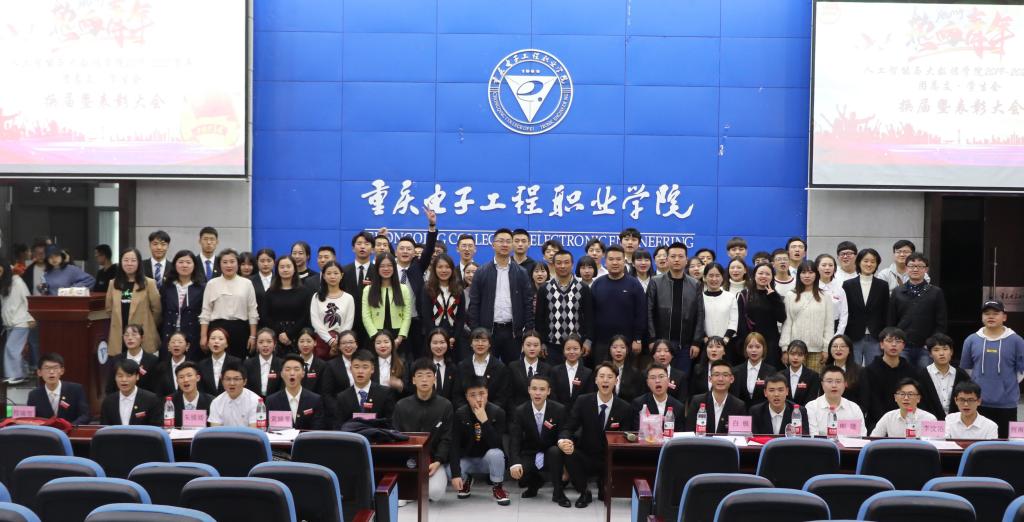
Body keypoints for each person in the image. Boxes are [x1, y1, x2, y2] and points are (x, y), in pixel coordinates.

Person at [558, 362, 634, 508]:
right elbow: (569, 427)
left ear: (616, 381)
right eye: (602, 376)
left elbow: (625, 436)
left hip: (609, 457)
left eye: (610, 377)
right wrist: (563, 440)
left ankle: (602, 484)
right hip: (586, 453)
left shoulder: (625, 407)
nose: (605, 380)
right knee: (568, 452)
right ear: (596, 380)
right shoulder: (583, 401)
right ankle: (584, 492)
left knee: (604, 496)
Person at [392, 358, 455, 502]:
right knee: (401, 494)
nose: (424, 379)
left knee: (435, 493)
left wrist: (438, 461)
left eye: (428, 375)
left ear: (434, 379)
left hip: (433, 462)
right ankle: (411, 489)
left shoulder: (445, 406)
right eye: (420, 375)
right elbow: (395, 435)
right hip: (406, 461)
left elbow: (447, 438)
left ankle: (416, 489)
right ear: (414, 380)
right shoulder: (401, 405)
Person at [468, 228, 535, 364]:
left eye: (508, 241)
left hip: (513, 333)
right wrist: (476, 331)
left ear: (512, 245)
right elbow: (474, 304)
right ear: (493, 245)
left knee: (513, 369)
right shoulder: (481, 272)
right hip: (487, 332)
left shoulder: (521, 272)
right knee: (487, 368)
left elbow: (528, 303)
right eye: (501, 241)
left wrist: (527, 331)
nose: (504, 244)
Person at [961, 299, 1024, 438]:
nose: (990, 316)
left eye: (995, 313)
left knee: (1005, 442)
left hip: (1007, 404)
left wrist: (1005, 384)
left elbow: (1021, 372)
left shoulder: (1017, 341)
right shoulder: (971, 340)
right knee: (978, 442)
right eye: (987, 313)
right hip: (977, 402)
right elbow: (967, 370)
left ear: (1004, 317)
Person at [508, 374, 569, 506]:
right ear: (529, 390)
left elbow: (564, 430)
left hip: (550, 453)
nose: (538, 393)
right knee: (521, 474)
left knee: (555, 452)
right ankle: (534, 484)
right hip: (530, 452)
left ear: (548, 391)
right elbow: (515, 439)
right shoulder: (520, 411)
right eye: (534, 388)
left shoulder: (559, 409)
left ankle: (558, 492)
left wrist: (562, 441)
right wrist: (515, 463)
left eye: (542, 389)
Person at [450, 377, 510, 505]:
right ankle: (466, 480)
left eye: (482, 393)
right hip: (467, 459)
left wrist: (484, 421)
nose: (478, 399)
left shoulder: (498, 412)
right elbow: (454, 445)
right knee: (448, 470)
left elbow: (496, 444)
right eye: (473, 395)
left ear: (487, 393)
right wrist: (456, 475)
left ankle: (498, 487)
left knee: (496, 454)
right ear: (466, 397)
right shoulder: (460, 414)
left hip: (487, 461)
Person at [393, 210, 439, 360]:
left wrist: (432, 225)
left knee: (418, 358)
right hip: (395, 322)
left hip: (416, 321)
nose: (405, 251)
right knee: (397, 359)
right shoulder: (388, 270)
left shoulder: (417, 268)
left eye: (409, 249)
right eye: (402, 248)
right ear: (396, 252)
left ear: (414, 253)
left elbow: (429, 249)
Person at [535, 250, 594, 365]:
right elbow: (539, 319)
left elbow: (589, 317)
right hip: (551, 347)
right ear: (553, 264)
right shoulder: (544, 288)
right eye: (559, 263)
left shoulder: (583, 288)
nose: (562, 266)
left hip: (576, 347)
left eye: (566, 262)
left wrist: (588, 341)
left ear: (572, 264)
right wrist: (541, 342)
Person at [888, 253, 947, 368]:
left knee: (925, 377)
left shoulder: (936, 292)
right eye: (911, 266)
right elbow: (891, 321)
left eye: (920, 266)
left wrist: (932, 343)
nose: (915, 269)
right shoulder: (897, 292)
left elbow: (941, 322)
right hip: (902, 346)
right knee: (902, 376)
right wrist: (894, 342)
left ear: (926, 269)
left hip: (926, 347)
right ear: (906, 268)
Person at [591, 245, 647, 365]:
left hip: (627, 343)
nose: (615, 263)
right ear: (605, 261)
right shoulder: (597, 284)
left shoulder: (634, 284)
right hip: (601, 343)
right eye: (611, 259)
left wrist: (637, 339)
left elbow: (641, 314)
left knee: (627, 375)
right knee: (602, 374)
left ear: (624, 261)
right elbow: (590, 314)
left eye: (618, 259)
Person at [199, 249, 259, 359]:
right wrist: (203, 336)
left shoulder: (247, 283)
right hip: (217, 329)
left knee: (238, 363)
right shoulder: (212, 284)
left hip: (240, 329)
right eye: (225, 262)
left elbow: (252, 311)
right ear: (219, 264)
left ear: (238, 264)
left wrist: (253, 336)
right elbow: (206, 312)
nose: (229, 265)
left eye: (232, 261)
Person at [106, 248, 162, 359]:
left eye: (133, 260)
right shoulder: (113, 283)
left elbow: (157, 310)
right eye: (126, 260)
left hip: (143, 334)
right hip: (120, 336)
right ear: (121, 262)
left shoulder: (149, 283)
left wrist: (148, 324)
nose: (129, 263)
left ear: (139, 263)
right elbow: (109, 309)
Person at [780, 261, 834, 372]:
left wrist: (826, 348)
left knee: (815, 380)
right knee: (795, 380)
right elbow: (787, 324)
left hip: (817, 350)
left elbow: (829, 325)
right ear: (799, 275)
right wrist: (785, 349)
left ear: (816, 274)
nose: (807, 276)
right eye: (803, 272)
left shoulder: (825, 296)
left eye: (810, 272)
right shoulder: (791, 295)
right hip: (795, 349)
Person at [861, 327, 919, 430]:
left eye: (898, 341)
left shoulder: (911, 371)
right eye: (889, 341)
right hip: (877, 423)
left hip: (906, 421)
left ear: (903, 346)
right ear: (881, 344)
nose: (894, 344)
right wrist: (887, 423)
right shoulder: (870, 371)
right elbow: (871, 401)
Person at [842, 248, 889, 366]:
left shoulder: (883, 285)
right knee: (854, 370)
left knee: (874, 370)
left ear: (877, 264)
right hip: (853, 335)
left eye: (873, 261)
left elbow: (886, 312)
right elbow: (844, 311)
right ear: (859, 262)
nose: (869, 264)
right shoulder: (848, 285)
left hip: (875, 336)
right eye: (866, 261)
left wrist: (885, 336)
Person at [734, 263, 785, 367]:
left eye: (767, 274)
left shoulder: (775, 296)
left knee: (769, 372)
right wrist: (745, 342)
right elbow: (740, 322)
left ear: (772, 277)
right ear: (754, 275)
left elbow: (782, 318)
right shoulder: (744, 294)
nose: (764, 276)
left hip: (770, 343)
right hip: (749, 342)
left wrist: (773, 297)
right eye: (760, 273)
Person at [362, 253, 412, 354]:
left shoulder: (403, 289)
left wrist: (399, 338)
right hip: (375, 335)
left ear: (394, 268)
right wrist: (376, 338)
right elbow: (366, 315)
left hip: (398, 336)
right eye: (382, 266)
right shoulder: (368, 290)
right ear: (377, 268)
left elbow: (407, 315)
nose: (386, 269)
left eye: (389, 265)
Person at [263, 255, 313, 355]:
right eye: (282, 267)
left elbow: (306, 315)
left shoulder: (304, 291)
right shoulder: (270, 292)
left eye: (288, 266)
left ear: (294, 269)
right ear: (277, 270)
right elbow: (265, 315)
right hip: (276, 336)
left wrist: (290, 334)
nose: (285, 269)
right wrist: (280, 332)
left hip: (298, 336)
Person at [160, 250, 205, 360]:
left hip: (192, 335)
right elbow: (162, 310)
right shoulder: (167, 286)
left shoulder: (201, 287)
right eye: (181, 262)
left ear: (194, 265)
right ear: (175, 264)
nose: (184, 265)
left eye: (188, 262)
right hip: (170, 333)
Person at [334, 349, 396, 427]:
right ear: (350, 369)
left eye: (365, 367)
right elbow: (338, 426)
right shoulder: (342, 397)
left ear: (372, 369)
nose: (360, 371)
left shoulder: (385, 393)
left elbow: (390, 423)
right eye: (356, 367)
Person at [684, 360, 747, 434]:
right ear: (710, 379)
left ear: (732, 379)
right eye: (716, 375)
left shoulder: (739, 406)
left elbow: (740, 436)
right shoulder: (697, 401)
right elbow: (689, 432)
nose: (720, 379)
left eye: (725, 375)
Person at [264, 354, 325, 430]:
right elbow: (269, 430)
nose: (292, 373)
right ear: (282, 374)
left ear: (303, 373)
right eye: (287, 369)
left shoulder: (315, 400)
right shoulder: (272, 401)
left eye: (296, 369)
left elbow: (317, 430)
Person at [27, 353, 90, 424]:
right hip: (45, 431)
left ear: (62, 371)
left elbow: (85, 415)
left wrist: (70, 427)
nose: (51, 372)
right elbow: (31, 420)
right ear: (39, 372)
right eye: (47, 368)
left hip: (71, 430)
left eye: (55, 368)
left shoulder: (76, 390)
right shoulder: (34, 395)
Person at [918, 334, 970, 420]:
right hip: (930, 422)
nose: (941, 353)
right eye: (936, 350)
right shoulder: (921, 375)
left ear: (951, 352)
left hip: (957, 422)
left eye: (945, 349)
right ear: (930, 354)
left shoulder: (961, 375)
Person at [419, 254, 466, 349]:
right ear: (434, 269)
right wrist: (437, 339)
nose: (444, 270)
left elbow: (461, 317)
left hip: (453, 338)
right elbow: (426, 316)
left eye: (447, 267)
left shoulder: (459, 290)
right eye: (440, 267)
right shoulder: (427, 289)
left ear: (452, 269)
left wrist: (454, 337)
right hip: (432, 338)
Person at [456, 328, 509, 410]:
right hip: (467, 413)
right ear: (471, 344)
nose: (480, 344)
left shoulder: (500, 367)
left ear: (489, 344)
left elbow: (502, 397)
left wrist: (487, 413)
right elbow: (457, 395)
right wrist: (469, 412)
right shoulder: (462, 366)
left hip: (492, 414)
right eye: (476, 341)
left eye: (484, 341)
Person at [310, 260, 354, 358]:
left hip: (341, 343)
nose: (332, 276)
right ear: (323, 276)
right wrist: (330, 340)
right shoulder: (316, 296)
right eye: (329, 273)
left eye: (336, 273)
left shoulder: (348, 298)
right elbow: (315, 321)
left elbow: (349, 322)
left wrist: (338, 341)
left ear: (341, 275)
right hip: (320, 342)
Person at [806, 366, 867, 436]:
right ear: (822, 384)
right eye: (829, 381)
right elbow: (813, 438)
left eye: (838, 381)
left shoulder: (854, 408)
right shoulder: (812, 407)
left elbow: (862, 436)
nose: (834, 385)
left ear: (845, 384)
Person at [100, 359, 162, 426]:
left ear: (137, 376)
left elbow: (156, 427)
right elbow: (104, 428)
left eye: (128, 376)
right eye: (120, 376)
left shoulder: (151, 399)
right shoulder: (108, 402)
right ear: (115, 378)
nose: (124, 380)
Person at [1, 259, 34, 384]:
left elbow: (27, 299)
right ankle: (21, 374)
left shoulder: (18, 282)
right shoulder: (4, 283)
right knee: (16, 349)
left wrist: (31, 318)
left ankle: (15, 375)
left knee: (11, 348)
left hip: (21, 321)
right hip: (11, 323)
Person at [870, 378, 936, 437]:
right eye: (902, 394)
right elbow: (873, 440)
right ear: (895, 397)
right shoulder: (888, 417)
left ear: (918, 398)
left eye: (910, 394)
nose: (906, 398)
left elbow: (935, 444)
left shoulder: (930, 419)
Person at [105, 325, 162, 394]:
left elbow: (157, 388)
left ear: (142, 338)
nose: (130, 338)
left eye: (134, 335)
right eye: (126, 335)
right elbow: (110, 387)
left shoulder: (153, 360)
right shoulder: (116, 360)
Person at [342, 231, 376, 346]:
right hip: (348, 323)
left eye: (366, 244)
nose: (362, 246)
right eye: (359, 243)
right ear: (353, 248)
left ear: (372, 249)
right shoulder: (343, 271)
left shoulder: (378, 272)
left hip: (372, 324)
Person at [631, 363, 685, 431]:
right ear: (647, 383)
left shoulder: (678, 407)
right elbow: (636, 431)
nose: (657, 381)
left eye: (661, 377)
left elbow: (680, 433)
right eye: (653, 378)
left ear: (668, 380)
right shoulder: (639, 404)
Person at [208, 361, 261, 427]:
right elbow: (215, 430)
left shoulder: (256, 401)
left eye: (236, 379)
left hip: (248, 434)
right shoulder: (216, 402)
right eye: (228, 379)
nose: (232, 383)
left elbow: (255, 430)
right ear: (222, 382)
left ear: (244, 382)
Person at [320, 330, 360, 415]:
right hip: (340, 412)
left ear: (356, 345)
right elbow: (327, 395)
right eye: (344, 343)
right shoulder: (331, 366)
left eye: (351, 342)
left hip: (363, 411)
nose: (348, 345)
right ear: (339, 346)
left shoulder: (364, 362)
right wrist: (338, 412)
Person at [731, 333, 776, 409]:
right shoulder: (736, 371)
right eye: (750, 347)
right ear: (745, 349)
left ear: (763, 349)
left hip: (762, 412)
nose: (754, 350)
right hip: (741, 412)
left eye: (758, 347)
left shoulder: (771, 371)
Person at [508, 331, 551, 410]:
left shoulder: (547, 368)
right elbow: (509, 395)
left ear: (540, 347)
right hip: (517, 411)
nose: (532, 348)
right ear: (523, 346)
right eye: (528, 345)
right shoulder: (513, 367)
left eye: (536, 345)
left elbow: (549, 396)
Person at [548, 335, 593, 409]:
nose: (572, 352)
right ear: (563, 351)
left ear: (581, 350)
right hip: (559, 411)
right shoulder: (555, 371)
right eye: (568, 349)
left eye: (575, 349)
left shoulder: (588, 373)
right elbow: (553, 394)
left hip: (580, 412)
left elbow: (589, 396)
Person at [702, 263, 738, 348]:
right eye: (711, 275)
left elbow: (734, 321)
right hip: (705, 344)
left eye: (717, 275)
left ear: (722, 278)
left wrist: (726, 339)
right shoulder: (699, 298)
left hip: (727, 343)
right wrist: (705, 338)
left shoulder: (730, 297)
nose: (714, 279)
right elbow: (697, 321)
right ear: (705, 277)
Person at [198, 327, 242, 395]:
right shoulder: (201, 365)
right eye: (213, 338)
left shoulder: (236, 362)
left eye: (221, 339)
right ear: (208, 343)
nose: (216, 341)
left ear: (226, 344)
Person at [169, 362, 213, 428]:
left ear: (198, 378)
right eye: (181, 377)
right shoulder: (170, 402)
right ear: (177, 381)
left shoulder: (211, 402)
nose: (185, 380)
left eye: (189, 375)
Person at [823, 334, 863, 407]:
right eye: (835, 346)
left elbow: (864, 399)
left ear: (850, 350)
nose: (838, 349)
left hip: (852, 412)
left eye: (842, 346)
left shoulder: (860, 371)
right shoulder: (825, 370)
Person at [243, 328, 282, 398]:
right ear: (256, 345)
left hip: (275, 401)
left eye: (269, 342)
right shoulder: (248, 364)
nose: (265, 345)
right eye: (261, 342)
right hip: (253, 400)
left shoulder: (281, 364)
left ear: (275, 344)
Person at [815, 253, 848, 335]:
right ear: (817, 268)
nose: (827, 268)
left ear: (834, 268)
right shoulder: (811, 287)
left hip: (834, 327)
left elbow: (844, 314)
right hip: (814, 325)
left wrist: (839, 334)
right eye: (824, 265)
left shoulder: (839, 289)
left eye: (830, 265)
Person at [425, 328, 461, 402]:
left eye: (442, 342)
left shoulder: (453, 369)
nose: (439, 346)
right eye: (435, 343)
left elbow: (456, 395)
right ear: (429, 344)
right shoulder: (423, 366)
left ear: (448, 344)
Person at [649, 339, 688, 403]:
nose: (662, 354)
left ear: (672, 355)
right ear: (653, 355)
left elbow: (682, 402)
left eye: (666, 351)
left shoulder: (681, 376)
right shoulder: (645, 374)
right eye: (658, 351)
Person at [785, 340, 821, 406]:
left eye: (800, 355)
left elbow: (811, 400)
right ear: (788, 354)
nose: (795, 357)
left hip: (805, 411)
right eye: (792, 354)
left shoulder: (813, 376)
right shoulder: (780, 375)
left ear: (805, 356)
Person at [157, 331, 193, 395]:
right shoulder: (161, 367)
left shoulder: (193, 367)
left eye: (180, 342)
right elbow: (158, 392)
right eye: (173, 342)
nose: (176, 345)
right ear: (168, 346)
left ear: (187, 346)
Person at [295, 328, 326, 393]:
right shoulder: (292, 364)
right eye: (302, 341)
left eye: (309, 341)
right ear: (297, 343)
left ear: (315, 343)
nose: (305, 345)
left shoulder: (322, 365)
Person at [251, 248, 276, 327]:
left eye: (269, 261)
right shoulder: (249, 281)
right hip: (255, 323)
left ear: (274, 262)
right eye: (262, 261)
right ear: (257, 262)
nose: (265, 264)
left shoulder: (279, 280)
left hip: (275, 324)